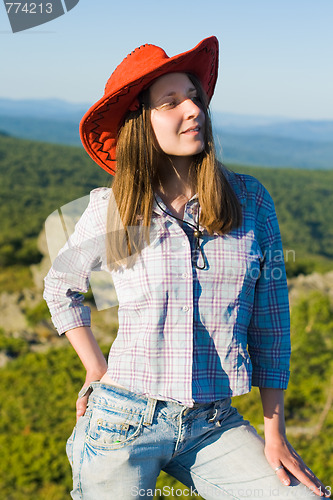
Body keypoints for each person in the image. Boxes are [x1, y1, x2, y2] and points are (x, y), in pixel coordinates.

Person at [43, 36, 330, 500]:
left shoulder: (250, 201)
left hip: (212, 423)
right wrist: (96, 369)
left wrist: (274, 432)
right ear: (141, 122)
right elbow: (61, 286)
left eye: (194, 97)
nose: (193, 110)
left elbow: (271, 323)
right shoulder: (117, 208)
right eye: (171, 102)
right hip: (123, 421)